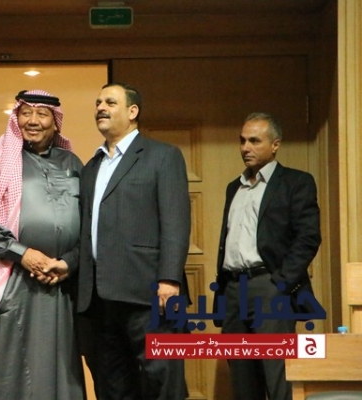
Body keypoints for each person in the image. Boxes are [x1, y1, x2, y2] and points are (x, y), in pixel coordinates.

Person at [0, 89, 86, 399]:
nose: (33, 120)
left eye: (42, 114)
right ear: (16, 118)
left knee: (62, 370)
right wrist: (24, 254)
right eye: (25, 113)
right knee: (15, 370)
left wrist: (69, 262)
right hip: (15, 280)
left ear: (55, 123)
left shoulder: (72, 163)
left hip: (62, 283)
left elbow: (90, 226)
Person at [76, 82, 191, 400]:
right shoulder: (91, 167)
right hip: (99, 301)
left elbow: (175, 221)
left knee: (162, 383)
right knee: (112, 386)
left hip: (150, 295)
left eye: (110, 102)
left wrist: (169, 279)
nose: (101, 108)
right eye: (98, 102)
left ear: (133, 111)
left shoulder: (162, 156)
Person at [213, 112, 322, 400]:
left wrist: (281, 283)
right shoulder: (234, 187)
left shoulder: (295, 183)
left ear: (275, 145)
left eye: (254, 141)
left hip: (270, 287)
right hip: (233, 290)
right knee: (242, 380)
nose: (245, 148)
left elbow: (308, 237)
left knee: (278, 377)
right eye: (242, 141)